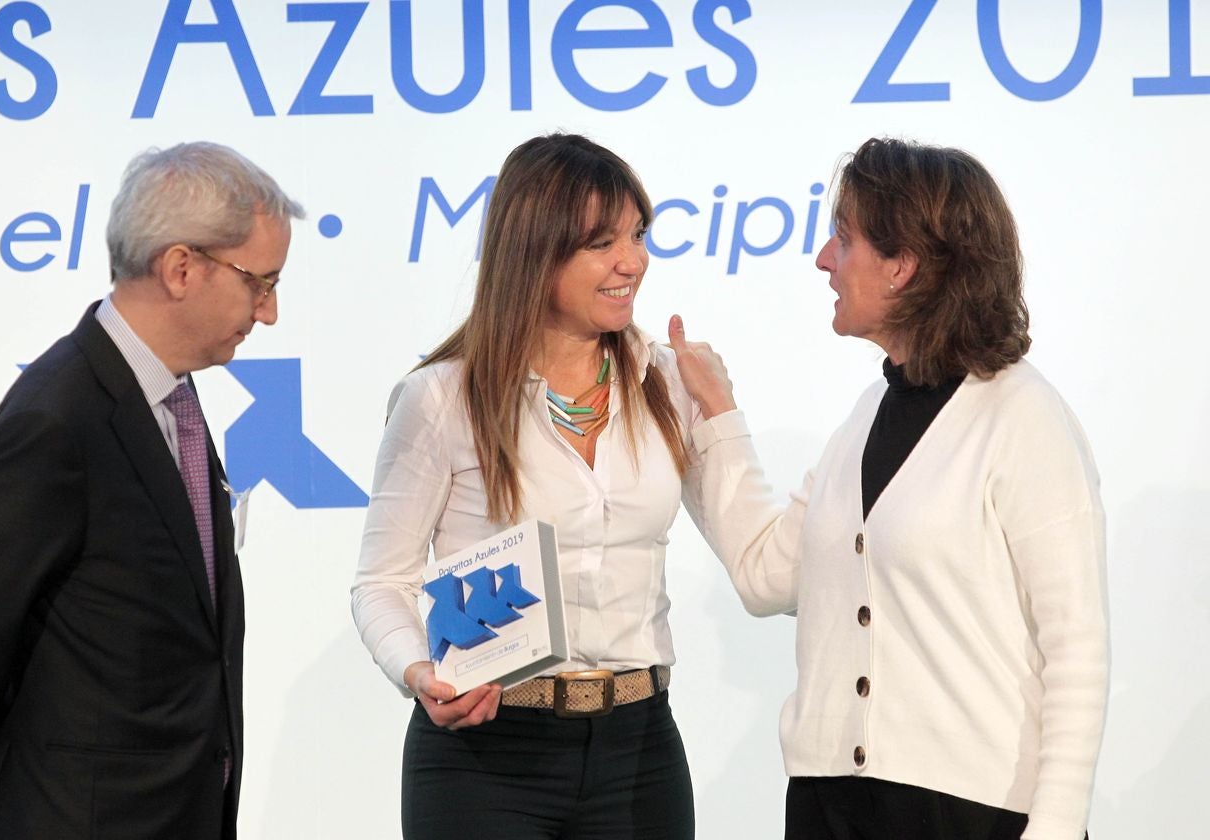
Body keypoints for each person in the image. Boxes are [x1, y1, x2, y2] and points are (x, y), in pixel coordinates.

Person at [350, 132, 790, 839]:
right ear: (534, 251)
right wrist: (417, 672)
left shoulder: (669, 384)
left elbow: (765, 566)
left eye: (639, 234)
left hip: (639, 749)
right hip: (484, 755)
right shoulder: (440, 399)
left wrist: (724, 414)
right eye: (602, 242)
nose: (633, 261)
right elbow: (380, 581)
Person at [682, 138, 1108, 840]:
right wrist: (714, 418)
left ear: (903, 264)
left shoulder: (1024, 417)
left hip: (964, 813)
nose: (824, 260)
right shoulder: (863, 420)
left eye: (843, 241)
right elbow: (766, 576)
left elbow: (1076, 644)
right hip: (831, 807)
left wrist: (1056, 827)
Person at [0, 141, 303, 840]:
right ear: (181, 268)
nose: (268, 312)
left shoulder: (172, 399)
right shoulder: (56, 417)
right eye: (258, 283)